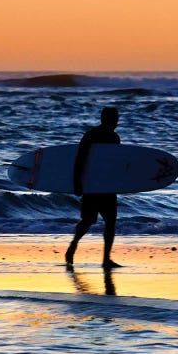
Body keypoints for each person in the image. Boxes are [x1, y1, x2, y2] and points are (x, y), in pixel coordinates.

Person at [65, 107, 122, 269]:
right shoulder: (98, 136)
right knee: (98, 221)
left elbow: (113, 162)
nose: (117, 122)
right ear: (108, 119)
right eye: (115, 118)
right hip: (97, 185)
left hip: (101, 185)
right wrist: (78, 183)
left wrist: (119, 183)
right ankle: (79, 248)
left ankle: (101, 257)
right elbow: (81, 159)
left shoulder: (108, 136)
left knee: (103, 221)